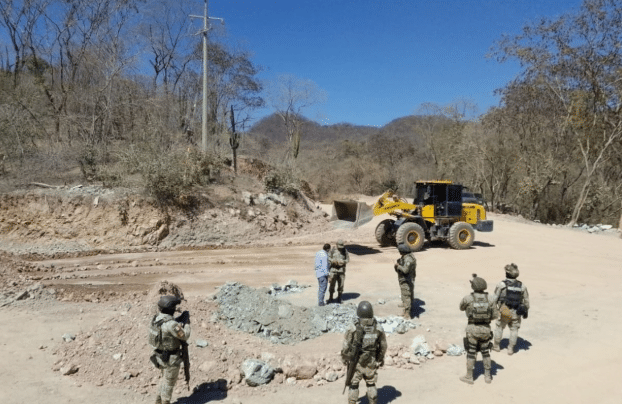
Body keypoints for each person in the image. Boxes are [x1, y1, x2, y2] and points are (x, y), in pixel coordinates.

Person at [342, 301, 387, 404]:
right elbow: (383, 346)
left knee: (353, 385)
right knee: (371, 383)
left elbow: (345, 346)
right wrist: (379, 358)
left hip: (355, 361)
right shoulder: (378, 327)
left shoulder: (353, 327)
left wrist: (345, 359)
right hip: (371, 360)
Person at [148, 295, 192, 404]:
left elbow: (168, 325)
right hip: (171, 359)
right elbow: (185, 335)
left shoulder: (157, 318)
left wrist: (179, 319)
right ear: (171, 309)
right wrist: (186, 323)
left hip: (159, 356)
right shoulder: (172, 325)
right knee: (169, 383)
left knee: (164, 380)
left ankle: (158, 402)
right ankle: (165, 402)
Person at [459, 274, 499, 384]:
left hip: (472, 329)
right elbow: (495, 315)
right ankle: (487, 376)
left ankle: (469, 376)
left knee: (471, 352)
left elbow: (461, 307)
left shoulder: (468, 298)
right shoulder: (491, 299)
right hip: (485, 329)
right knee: (486, 352)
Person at [492, 263, 530, 355]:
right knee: (514, 330)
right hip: (516, 311)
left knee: (499, 327)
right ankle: (510, 349)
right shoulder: (522, 286)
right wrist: (525, 311)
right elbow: (526, 301)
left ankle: (496, 346)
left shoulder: (501, 285)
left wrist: (495, 310)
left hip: (504, 310)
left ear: (506, 273)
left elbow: (494, 299)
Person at [394, 244, 416, 319]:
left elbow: (405, 270)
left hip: (406, 279)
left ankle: (407, 314)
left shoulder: (408, 259)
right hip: (404, 279)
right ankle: (406, 304)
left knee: (406, 295)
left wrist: (398, 266)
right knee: (406, 293)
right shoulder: (407, 256)